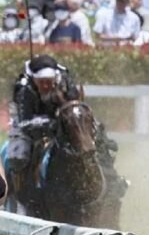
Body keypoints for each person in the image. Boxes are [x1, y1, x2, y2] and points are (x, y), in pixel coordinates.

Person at [7, 55, 127, 209]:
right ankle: (24, 194)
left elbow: (75, 104)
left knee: (95, 139)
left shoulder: (65, 81)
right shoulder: (25, 90)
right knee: (18, 156)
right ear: (34, 80)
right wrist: (48, 124)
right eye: (41, 82)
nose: (45, 85)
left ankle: (113, 181)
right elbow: (25, 121)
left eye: (48, 81)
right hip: (30, 124)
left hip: (64, 119)